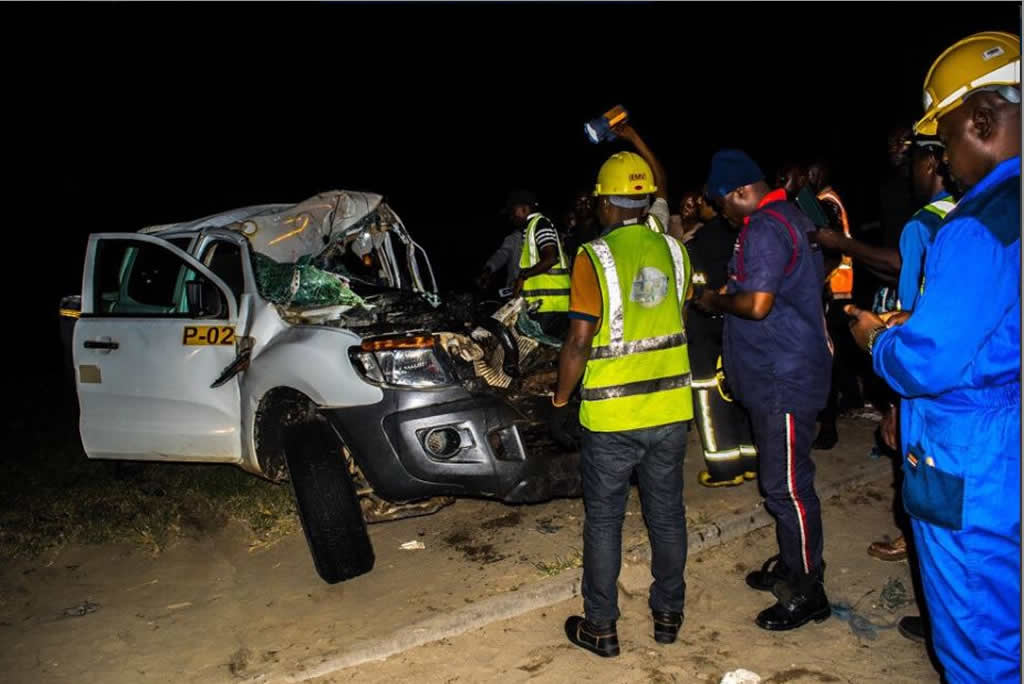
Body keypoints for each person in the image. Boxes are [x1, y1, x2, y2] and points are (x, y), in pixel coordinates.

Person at [846, 31, 1020, 682]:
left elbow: (927, 362)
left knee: (981, 649)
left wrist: (876, 338)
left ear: (980, 120)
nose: (944, 162)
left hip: (968, 459)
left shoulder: (977, 224)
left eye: (944, 141)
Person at [554, 148, 692, 657]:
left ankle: (601, 627)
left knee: (606, 520)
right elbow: (672, 317)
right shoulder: (676, 251)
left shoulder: (594, 257)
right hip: (671, 411)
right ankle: (668, 615)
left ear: (606, 204)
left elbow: (578, 343)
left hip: (612, 416)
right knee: (667, 515)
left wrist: (561, 398)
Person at [695, 149, 832, 631]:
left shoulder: (767, 226)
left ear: (738, 194)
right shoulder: (784, 217)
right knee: (782, 480)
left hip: (784, 377)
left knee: (788, 486)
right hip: (776, 371)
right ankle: (794, 563)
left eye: (722, 204)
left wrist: (712, 298)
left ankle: (808, 587)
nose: (723, 215)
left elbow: (755, 305)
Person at [685, 189, 758, 487]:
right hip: (740, 324)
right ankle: (751, 460)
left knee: (708, 398)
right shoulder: (746, 234)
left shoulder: (700, 242)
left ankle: (725, 468)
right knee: (740, 391)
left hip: (706, 327)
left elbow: (696, 290)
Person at [477, 190, 571, 336]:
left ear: (524, 209)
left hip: (551, 307)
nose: (511, 217)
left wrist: (523, 276)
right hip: (543, 306)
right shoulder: (530, 230)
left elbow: (551, 258)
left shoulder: (540, 224)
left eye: (512, 211)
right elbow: (501, 255)